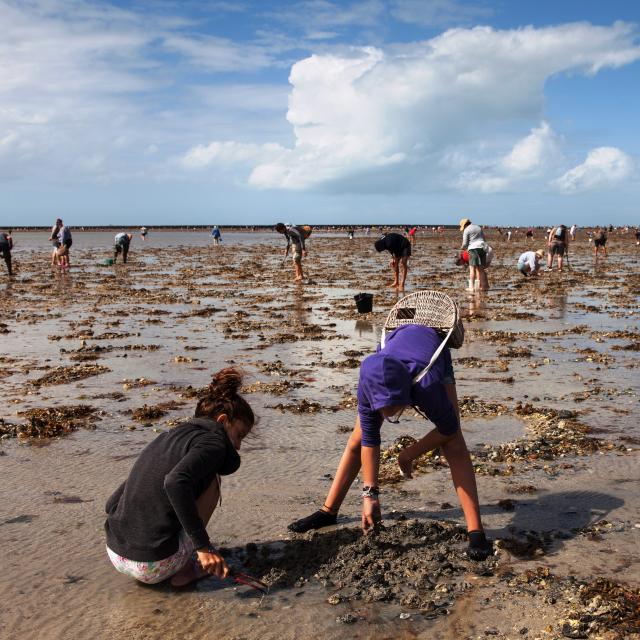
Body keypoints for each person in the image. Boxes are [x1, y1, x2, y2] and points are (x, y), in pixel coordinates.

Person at [287, 324, 493, 561]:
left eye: (395, 406)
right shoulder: (368, 382)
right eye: (383, 408)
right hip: (388, 358)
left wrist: (408, 454)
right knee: (358, 438)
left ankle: (476, 531)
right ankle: (328, 511)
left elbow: (449, 429)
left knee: (454, 443)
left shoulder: (426, 385)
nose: (389, 413)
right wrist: (370, 495)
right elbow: (370, 439)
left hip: (433, 353)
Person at [105, 368, 255, 587]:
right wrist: (204, 547)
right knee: (213, 481)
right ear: (222, 421)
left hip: (116, 553)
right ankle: (185, 570)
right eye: (239, 435)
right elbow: (175, 483)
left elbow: (111, 504)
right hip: (153, 565)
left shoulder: (170, 437)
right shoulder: (214, 442)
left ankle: (171, 553)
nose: (239, 445)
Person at [459, 218, 489, 292]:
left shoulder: (466, 230)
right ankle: (483, 287)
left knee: (472, 269)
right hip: (482, 247)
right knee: (481, 269)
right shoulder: (478, 227)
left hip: (473, 249)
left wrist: (462, 248)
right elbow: (484, 239)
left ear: (465, 225)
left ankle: (471, 287)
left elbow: (465, 243)